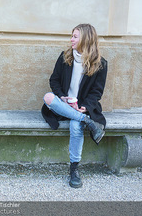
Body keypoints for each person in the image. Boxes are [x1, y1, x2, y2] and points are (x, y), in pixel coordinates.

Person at [41, 24, 108, 188]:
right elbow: (54, 80)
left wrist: (84, 106)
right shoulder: (65, 57)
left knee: (76, 125)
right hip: (63, 106)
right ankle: (89, 122)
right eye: (72, 36)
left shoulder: (100, 64)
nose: (71, 39)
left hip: (81, 108)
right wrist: (62, 97)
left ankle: (74, 169)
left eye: (75, 36)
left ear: (86, 38)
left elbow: (96, 92)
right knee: (48, 97)